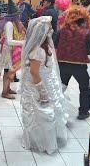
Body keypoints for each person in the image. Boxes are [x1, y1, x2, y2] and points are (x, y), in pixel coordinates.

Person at [20, 16, 68, 154]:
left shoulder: (45, 47)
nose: (52, 30)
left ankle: (47, 140)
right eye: (49, 28)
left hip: (45, 81)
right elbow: (35, 73)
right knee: (38, 113)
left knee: (47, 112)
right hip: (37, 85)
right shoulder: (38, 50)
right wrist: (43, 92)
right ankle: (38, 141)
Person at [56, 6, 90, 120]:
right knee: (84, 88)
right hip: (80, 66)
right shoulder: (87, 33)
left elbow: (54, 47)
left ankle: (56, 108)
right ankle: (83, 111)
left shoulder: (61, 31)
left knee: (60, 88)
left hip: (62, 64)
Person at [0, 0, 26, 99]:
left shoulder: (13, 23)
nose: (19, 15)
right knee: (7, 72)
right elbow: (9, 41)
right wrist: (22, 42)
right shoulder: (9, 24)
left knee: (9, 71)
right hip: (7, 51)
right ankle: (4, 92)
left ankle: (8, 89)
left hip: (9, 50)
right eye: (18, 14)